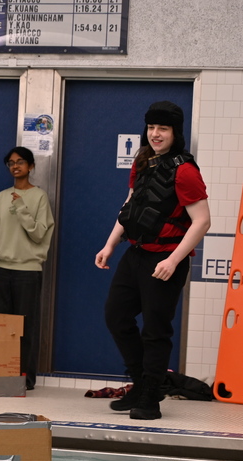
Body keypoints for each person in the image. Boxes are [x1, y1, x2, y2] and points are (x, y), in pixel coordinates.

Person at [95, 101, 211, 420]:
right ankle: (141, 382)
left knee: (156, 330)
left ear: (175, 132)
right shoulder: (143, 161)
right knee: (116, 316)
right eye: (151, 128)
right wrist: (110, 244)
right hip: (136, 254)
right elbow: (131, 205)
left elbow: (202, 220)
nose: (156, 134)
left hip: (166, 259)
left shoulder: (186, 171)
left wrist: (174, 260)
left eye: (163, 128)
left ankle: (151, 395)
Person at [0, 146, 55, 390]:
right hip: (1, 270)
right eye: (11, 163)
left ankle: (25, 379)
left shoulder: (39, 197)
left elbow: (39, 233)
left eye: (21, 162)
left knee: (26, 328)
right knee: (0, 327)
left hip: (28, 272)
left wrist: (22, 208)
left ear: (31, 166)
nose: (15, 166)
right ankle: (0, 376)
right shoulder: (2, 197)